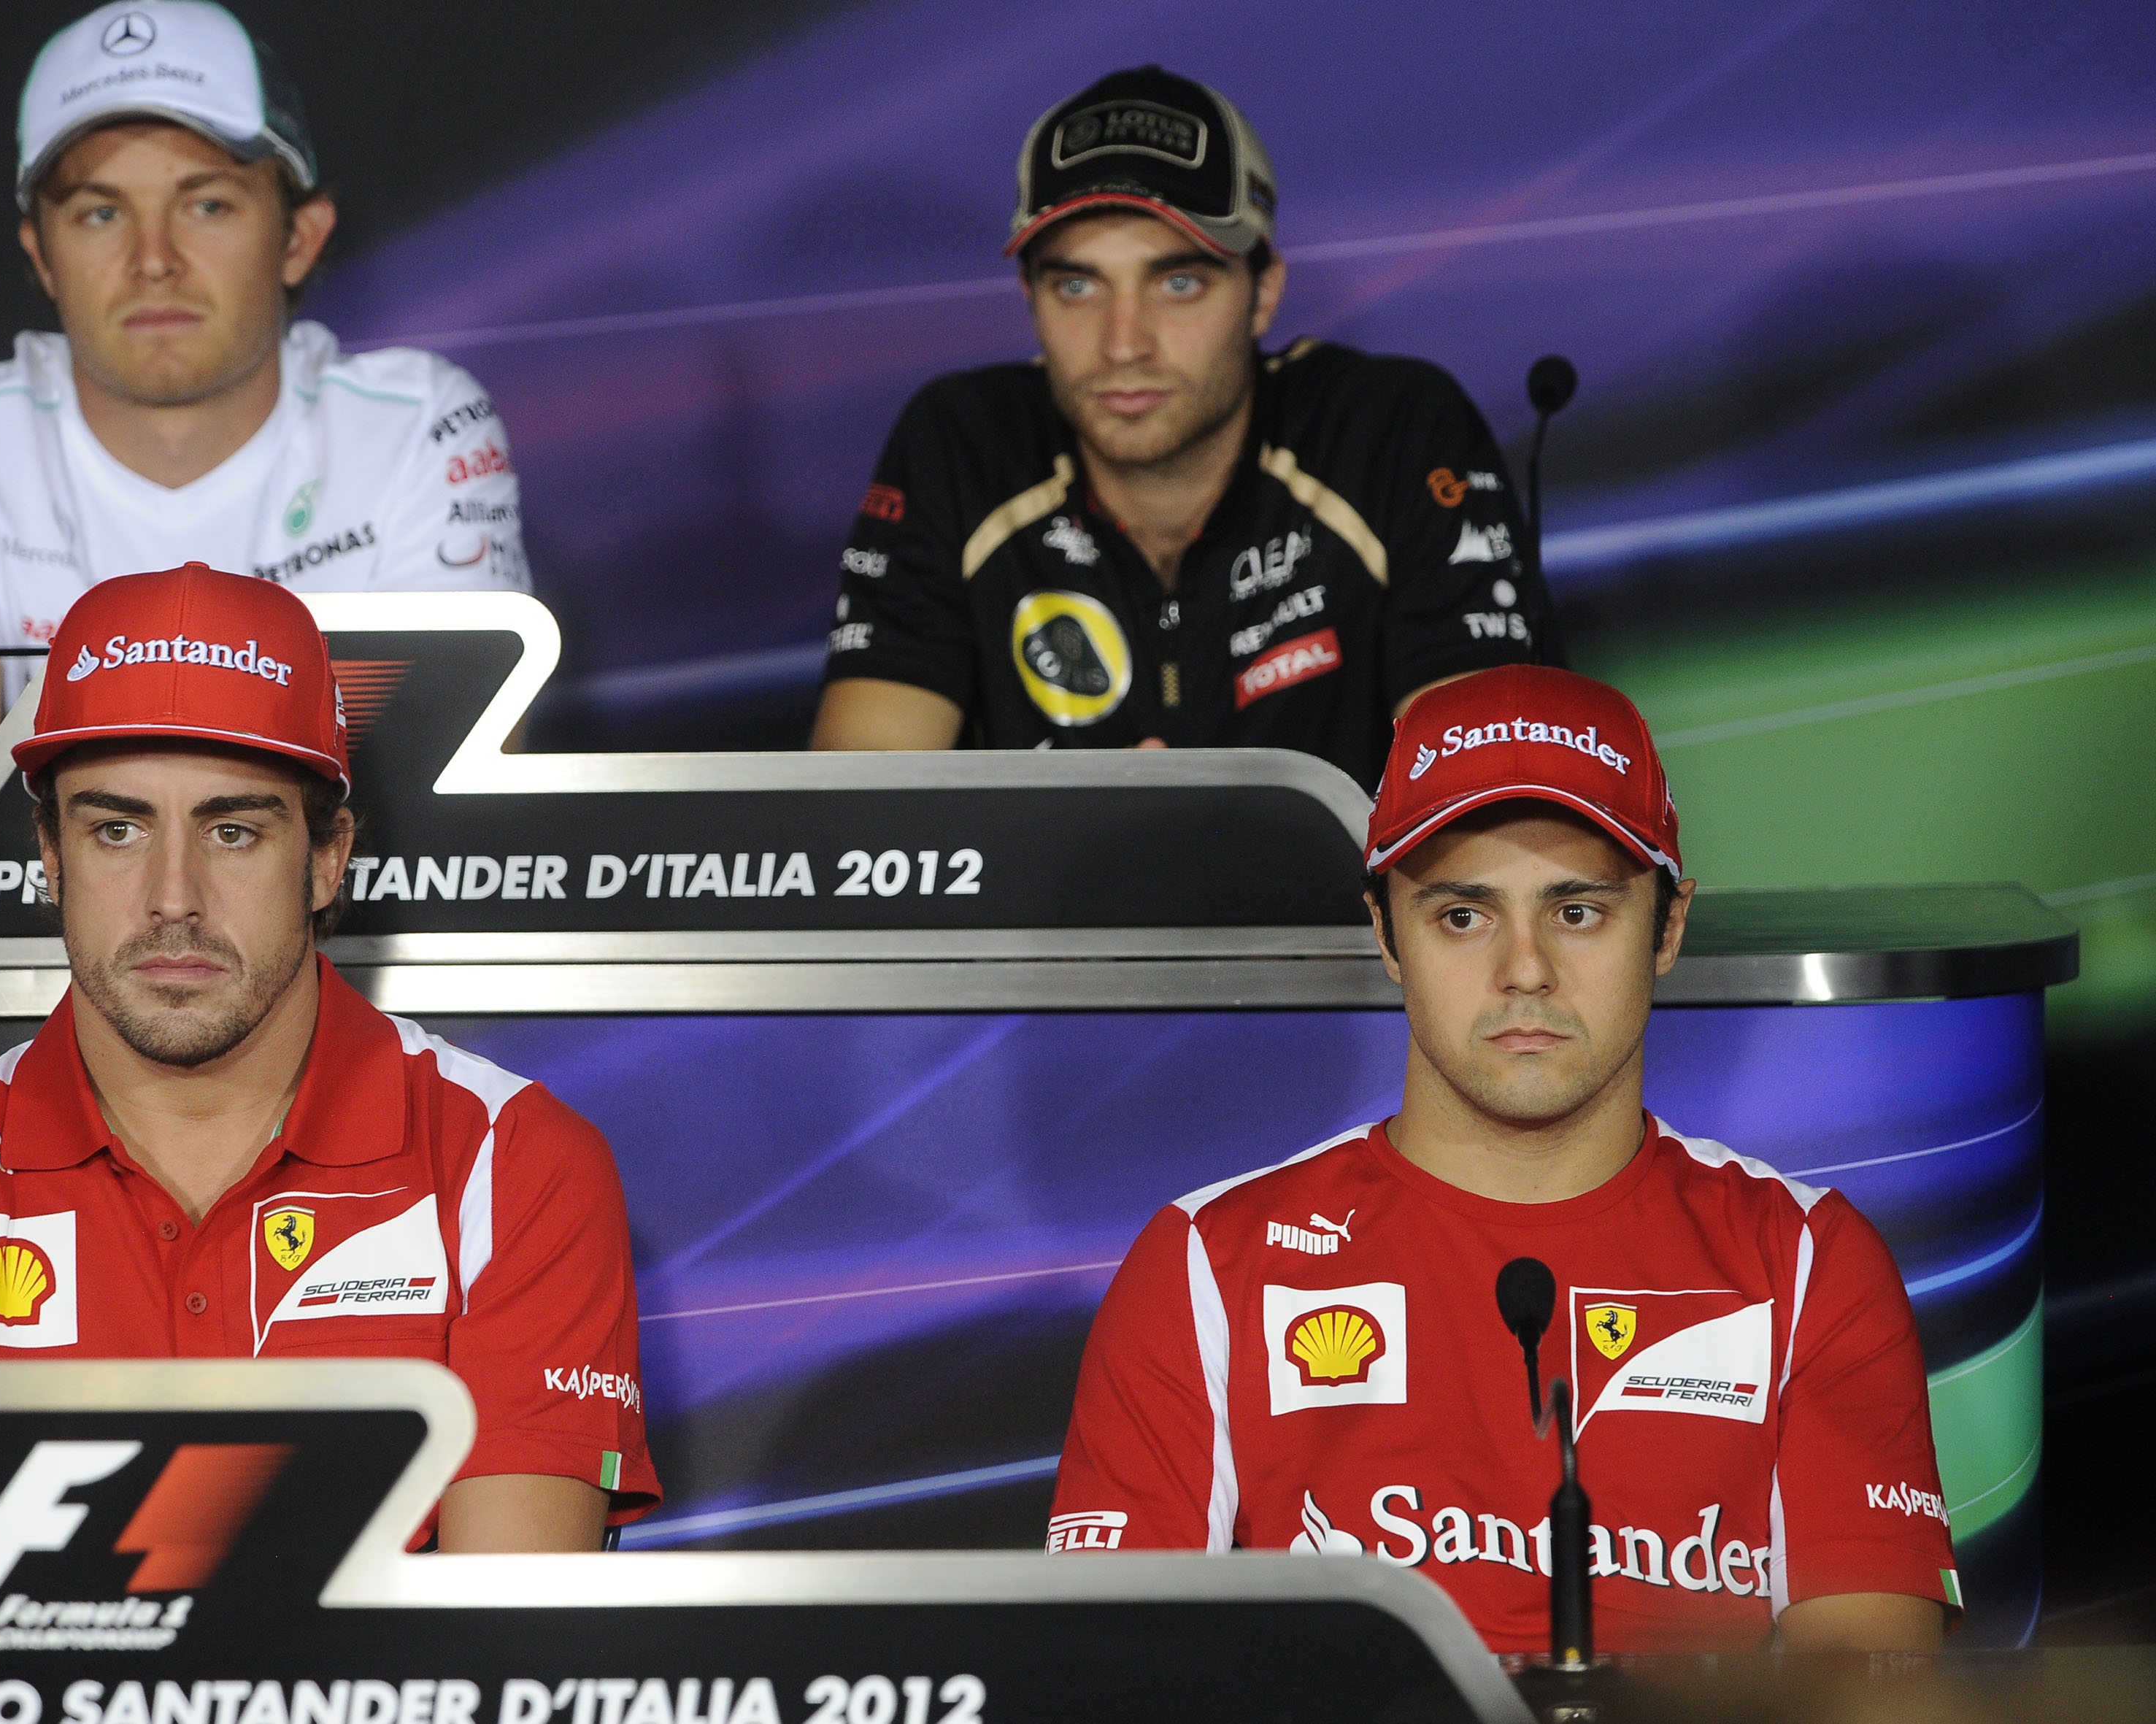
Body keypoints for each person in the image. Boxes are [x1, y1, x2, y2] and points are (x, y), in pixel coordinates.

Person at [1047, 665, 1956, 1654]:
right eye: (1462, 915)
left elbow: (1868, 1691)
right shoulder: (1206, 1266)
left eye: (1577, 911)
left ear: (1668, 926)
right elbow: (1109, 1676)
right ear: (1384, 932)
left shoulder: (1807, 1260)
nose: (1525, 969)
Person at [0, 565, 654, 1550]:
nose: (173, 896)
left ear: (328, 858)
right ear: (51, 856)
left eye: (232, 831)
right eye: (118, 829)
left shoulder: (512, 1162)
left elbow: (505, 1632)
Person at [811, 66, 1556, 791]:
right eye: (1077, 285)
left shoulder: (1389, 432)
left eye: (1178, 282)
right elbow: (857, 811)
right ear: (1030, 298)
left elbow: (1486, 795)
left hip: (1348, 888)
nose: (1123, 344)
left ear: (1263, 292)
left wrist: (1199, 844)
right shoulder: (962, 446)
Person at [0, 0, 531, 761]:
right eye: (101, 214)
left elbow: (445, 788)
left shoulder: (419, 425)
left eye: (206, 204)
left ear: (298, 238)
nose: (154, 260)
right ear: (42, 257)